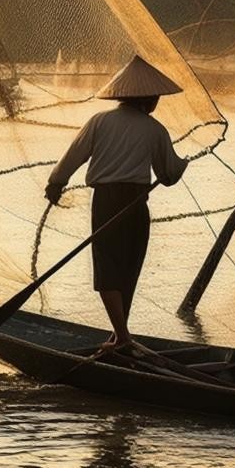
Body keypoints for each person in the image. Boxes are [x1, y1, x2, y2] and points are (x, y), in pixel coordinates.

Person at [45, 55, 188, 353]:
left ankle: (120, 335)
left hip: (108, 202)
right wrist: (183, 164)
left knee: (109, 266)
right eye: (156, 98)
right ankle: (121, 335)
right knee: (125, 268)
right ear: (148, 98)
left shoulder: (100, 121)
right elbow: (169, 175)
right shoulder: (154, 130)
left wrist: (56, 183)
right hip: (135, 204)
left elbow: (74, 155)